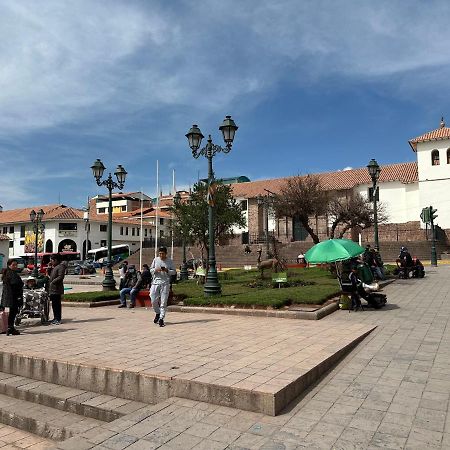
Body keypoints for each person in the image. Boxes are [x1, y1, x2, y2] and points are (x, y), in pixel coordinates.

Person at [150, 246, 176, 327]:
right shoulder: (155, 260)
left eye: (163, 254)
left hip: (165, 282)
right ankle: (158, 313)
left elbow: (174, 272)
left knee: (163, 302)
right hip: (155, 282)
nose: (161, 255)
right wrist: (155, 270)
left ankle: (161, 318)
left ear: (166, 253)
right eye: (160, 253)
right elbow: (151, 269)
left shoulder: (169, 261)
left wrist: (167, 270)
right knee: (153, 299)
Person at [1, 259, 24, 335]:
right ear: (9, 265)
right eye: (13, 265)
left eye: (16, 265)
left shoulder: (7, 273)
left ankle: (10, 327)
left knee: (12, 312)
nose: (15, 266)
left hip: (9, 296)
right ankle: (10, 328)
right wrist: (19, 297)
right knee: (13, 312)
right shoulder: (11, 273)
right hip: (13, 296)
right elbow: (15, 285)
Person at [48, 254, 66, 325]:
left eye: (52, 260)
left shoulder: (61, 267)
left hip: (57, 289)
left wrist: (53, 282)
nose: (51, 262)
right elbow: (50, 275)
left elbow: (60, 277)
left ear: (55, 260)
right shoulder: (55, 267)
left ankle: (58, 319)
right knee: (54, 305)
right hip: (52, 289)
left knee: (57, 305)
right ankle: (55, 318)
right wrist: (49, 267)